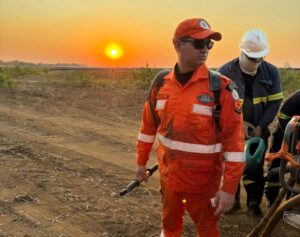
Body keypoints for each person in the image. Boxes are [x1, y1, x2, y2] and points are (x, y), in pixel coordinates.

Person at [135, 18, 245, 237]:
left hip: (204, 186)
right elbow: (148, 129)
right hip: (169, 180)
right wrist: (141, 163)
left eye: (209, 44)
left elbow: (235, 146)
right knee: (169, 227)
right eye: (198, 44)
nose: (205, 50)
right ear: (177, 45)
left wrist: (229, 188)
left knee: (207, 230)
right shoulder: (161, 84)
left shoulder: (220, 89)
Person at [218, 29, 283, 216]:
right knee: (231, 165)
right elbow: (218, 106)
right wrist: (240, 124)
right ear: (242, 51)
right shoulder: (225, 72)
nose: (256, 62)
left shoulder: (271, 72)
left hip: (258, 130)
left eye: (259, 58)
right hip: (231, 130)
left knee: (254, 166)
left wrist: (261, 126)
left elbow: (275, 102)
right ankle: (233, 201)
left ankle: (254, 203)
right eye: (252, 58)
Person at [265, 89, 300, 206]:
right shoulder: (296, 99)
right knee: (275, 165)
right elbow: (283, 119)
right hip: (283, 133)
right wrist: (293, 144)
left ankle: (293, 200)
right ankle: (272, 198)